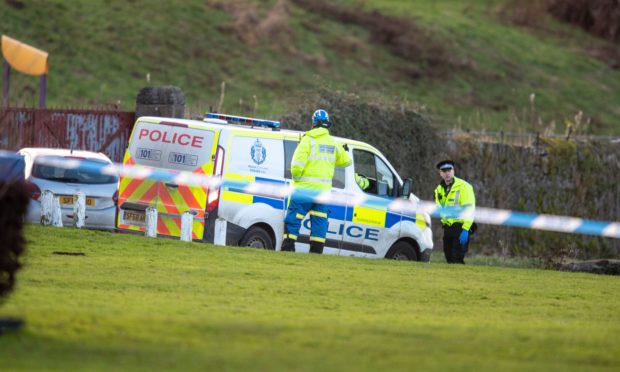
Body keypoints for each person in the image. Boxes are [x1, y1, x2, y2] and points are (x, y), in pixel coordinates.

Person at [281, 109, 352, 254]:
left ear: (314, 122)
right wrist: (342, 152)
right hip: (323, 193)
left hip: (304, 190)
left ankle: (288, 249)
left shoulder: (308, 140)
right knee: (320, 222)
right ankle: (316, 254)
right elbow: (346, 161)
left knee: (293, 219)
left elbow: (295, 166)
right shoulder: (333, 143)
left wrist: (297, 180)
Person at [434, 160, 476, 264]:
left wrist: (466, 229)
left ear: (453, 171)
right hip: (448, 227)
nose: (447, 173)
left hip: (460, 227)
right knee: (448, 258)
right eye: (444, 171)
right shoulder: (439, 189)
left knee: (456, 258)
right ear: (440, 173)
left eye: (449, 170)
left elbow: (470, 209)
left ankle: (462, 279)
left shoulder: (464, 186)